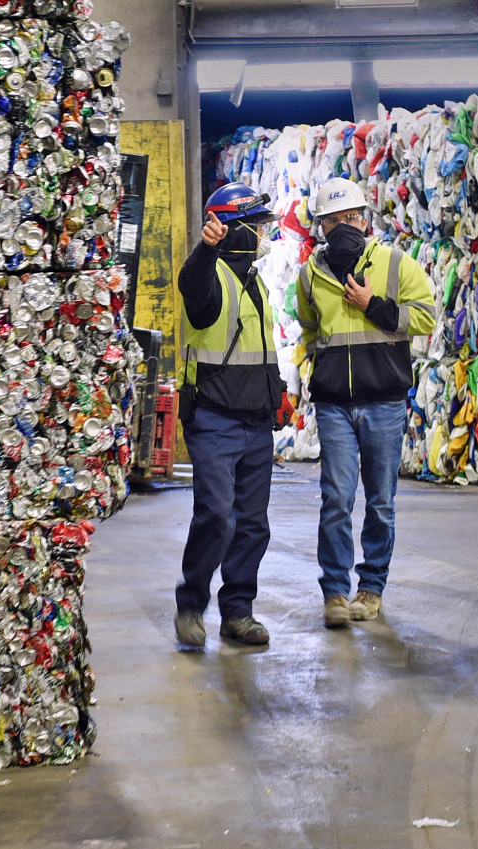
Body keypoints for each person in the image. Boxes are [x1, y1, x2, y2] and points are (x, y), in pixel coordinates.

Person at [294, 178, 437, 629]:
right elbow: (310, 329)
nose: (342, 227)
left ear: (365, 219)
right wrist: (309, 375)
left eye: (350, 218)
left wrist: (373, 304)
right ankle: (335, 592)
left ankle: (371, 588)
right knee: (335, 497)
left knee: (381, 501)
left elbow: (427, 316)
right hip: (335, 402)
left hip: (384, 401)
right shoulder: (309, 274)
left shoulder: (396, 264)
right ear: (320, 226)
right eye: (332, 221)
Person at [173, 183, 282, 650]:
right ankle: (191, 605)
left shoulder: (254, 279)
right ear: (233, 230)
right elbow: (192, 286)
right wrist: (205, 249)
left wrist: (278, 396)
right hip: (215, 419)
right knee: (218, 516)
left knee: (253, 523)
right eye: (257, 226)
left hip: (257, 420)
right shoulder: (210, 277)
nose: (264, 234)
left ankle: (238, 612)